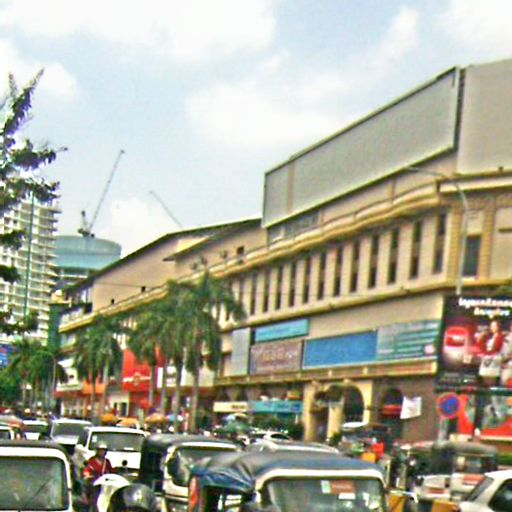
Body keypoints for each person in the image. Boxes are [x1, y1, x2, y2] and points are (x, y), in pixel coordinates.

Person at [82, 442, 114, 511]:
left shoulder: (107, 462)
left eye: (103, 450)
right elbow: (87, 471)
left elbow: (111, 472)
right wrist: (88, 475)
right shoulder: (92, 461)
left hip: (104, 484)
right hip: (95, 483)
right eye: (100, 450)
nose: (102, 452)